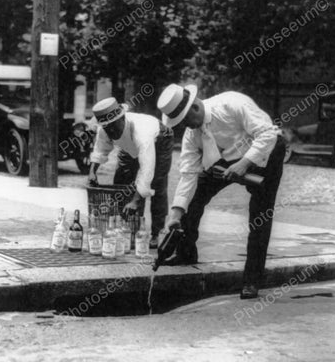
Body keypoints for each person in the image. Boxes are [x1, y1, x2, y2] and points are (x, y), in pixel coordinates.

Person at [157, 84, 285, 299]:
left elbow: (268, 133)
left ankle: (252, 280)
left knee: (259, 217)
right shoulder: (192, 133)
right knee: (194, 199)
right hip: (223, 159)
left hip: (265, 153)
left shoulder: (232, 104)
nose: (187, 128)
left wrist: (245, 163)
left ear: (195, 107)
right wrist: (175, 214)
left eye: (186, 121)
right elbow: (188, 174)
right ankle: (186, 253)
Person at [88, 97, 173, 247]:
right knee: (121, 182)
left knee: (156, 185)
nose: (111, 131)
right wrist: (92, 172)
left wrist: (135, 201)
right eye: (107, 128)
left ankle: (157, 233)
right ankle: (126, 228)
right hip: (127, 147)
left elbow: (147, 169)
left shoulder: (142, 132)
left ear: (122, 118)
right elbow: (100, 149)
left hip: (159, 140)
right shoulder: (105, 128)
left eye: (114, 126)